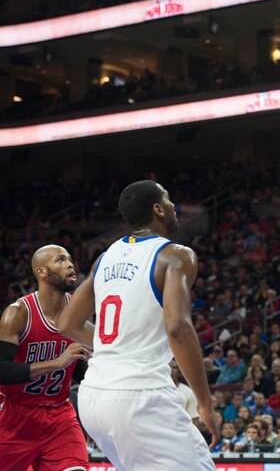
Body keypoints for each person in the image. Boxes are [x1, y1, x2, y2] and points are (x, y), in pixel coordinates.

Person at [59, 180, 219, 470]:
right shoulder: (177, 255)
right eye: (169, 200)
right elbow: (178, 329)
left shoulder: (106, 257)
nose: (173, 207)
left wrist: (117, 345)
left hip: (93, 397)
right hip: (140, 397)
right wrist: (204, 403)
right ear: (158, 209)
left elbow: (67, 323)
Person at [0, 244, 91, 471]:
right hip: (14, 415)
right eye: (60, 260)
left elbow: (79, 370)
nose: (70, 264)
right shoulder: (19, 313)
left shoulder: (76, 314)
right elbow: (1, 369)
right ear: (41, 271)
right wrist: (57, 362)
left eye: (70, 259)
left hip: (59, 416)